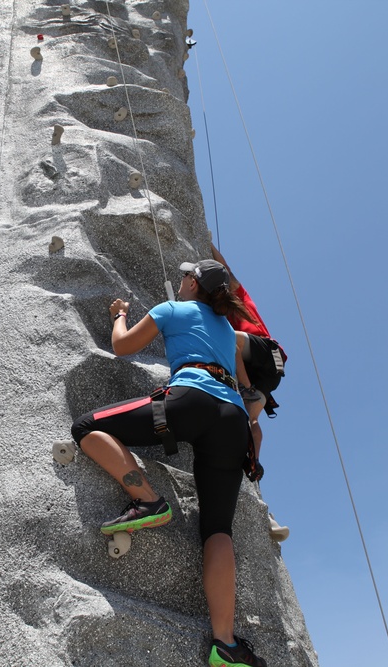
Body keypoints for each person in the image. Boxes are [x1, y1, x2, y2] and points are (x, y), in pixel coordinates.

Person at [70, 259, 267, 667]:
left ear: (193, 283)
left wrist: (121, 315)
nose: (179, 281)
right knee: (218, 529)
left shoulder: (171, 309)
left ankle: (147, 500)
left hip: (190, 399)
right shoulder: (229, 333)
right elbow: (253, 397)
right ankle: (226, 645)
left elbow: (123, 346)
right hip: (233, 423)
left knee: (88, 427)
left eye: (184, 276)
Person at [209, 243, 289, 542]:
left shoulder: (240, 300)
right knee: (248, 428)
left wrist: (208, 242)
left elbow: (227, 270)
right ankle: (257, 490)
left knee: (226, 339)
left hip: (266, 354)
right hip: (262, 377)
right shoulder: (221, 314)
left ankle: (248, 390)